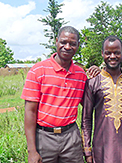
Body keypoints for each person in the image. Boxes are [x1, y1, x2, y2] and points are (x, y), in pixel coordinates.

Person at [21, 26, 87, 163]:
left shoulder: (81, 75)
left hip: (71, 137)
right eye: (63, 42)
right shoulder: (38, 71)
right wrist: (32, 151)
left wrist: (98, 76)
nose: (67, 47)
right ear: (56, 41)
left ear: (78, 46)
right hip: (44, 137)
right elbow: (30, 112)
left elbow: (89, 104)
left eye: (73, 44)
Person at [81, 35, 122, 163]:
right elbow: (86, 119)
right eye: (108, 53)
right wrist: (87, 150)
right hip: (102, 148)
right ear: (103, 54)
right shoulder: (93, 83)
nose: (113, 56)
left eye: (117, 53)